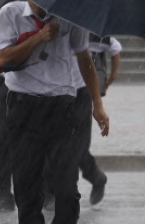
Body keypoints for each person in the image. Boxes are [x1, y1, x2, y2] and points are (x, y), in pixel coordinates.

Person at [0, 0, 109, 224]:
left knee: (66, 188)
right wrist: (39, 37)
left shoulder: (71, 15)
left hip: (63, 107)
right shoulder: (10, 14)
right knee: (27, 189)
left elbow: (84, 58)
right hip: (23, 106)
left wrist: (98, 104)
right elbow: (4, 59)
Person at [44, 35, 122, 210]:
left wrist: (111, 78)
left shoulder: (91, 31)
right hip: (54, 90)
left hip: (81, 92)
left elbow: (115, 48)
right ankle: (50, 192)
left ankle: (94, 178)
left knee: (77, 146)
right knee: (51, 142)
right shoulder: (51, 25)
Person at [0, 74, 15, 212]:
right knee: (2, 144)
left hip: (43, 84)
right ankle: (2, 195)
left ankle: (49, 193)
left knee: (43, 139)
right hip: (10, 82)